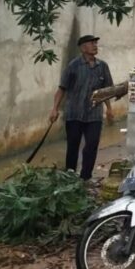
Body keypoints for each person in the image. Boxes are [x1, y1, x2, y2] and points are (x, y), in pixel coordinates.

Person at [49, 35, 114, 180]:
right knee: (73, 146)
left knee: (91, 146)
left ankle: (85, 178)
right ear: (83, 47)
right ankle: (70, 176)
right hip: (74, 113)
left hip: (94, 115)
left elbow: (107, 91)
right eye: (92, 43)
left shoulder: (102, 66)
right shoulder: (73, 66)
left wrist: (109, 109)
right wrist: (54, 109)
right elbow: (61, 89)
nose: (95, 46)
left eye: (96, 43)